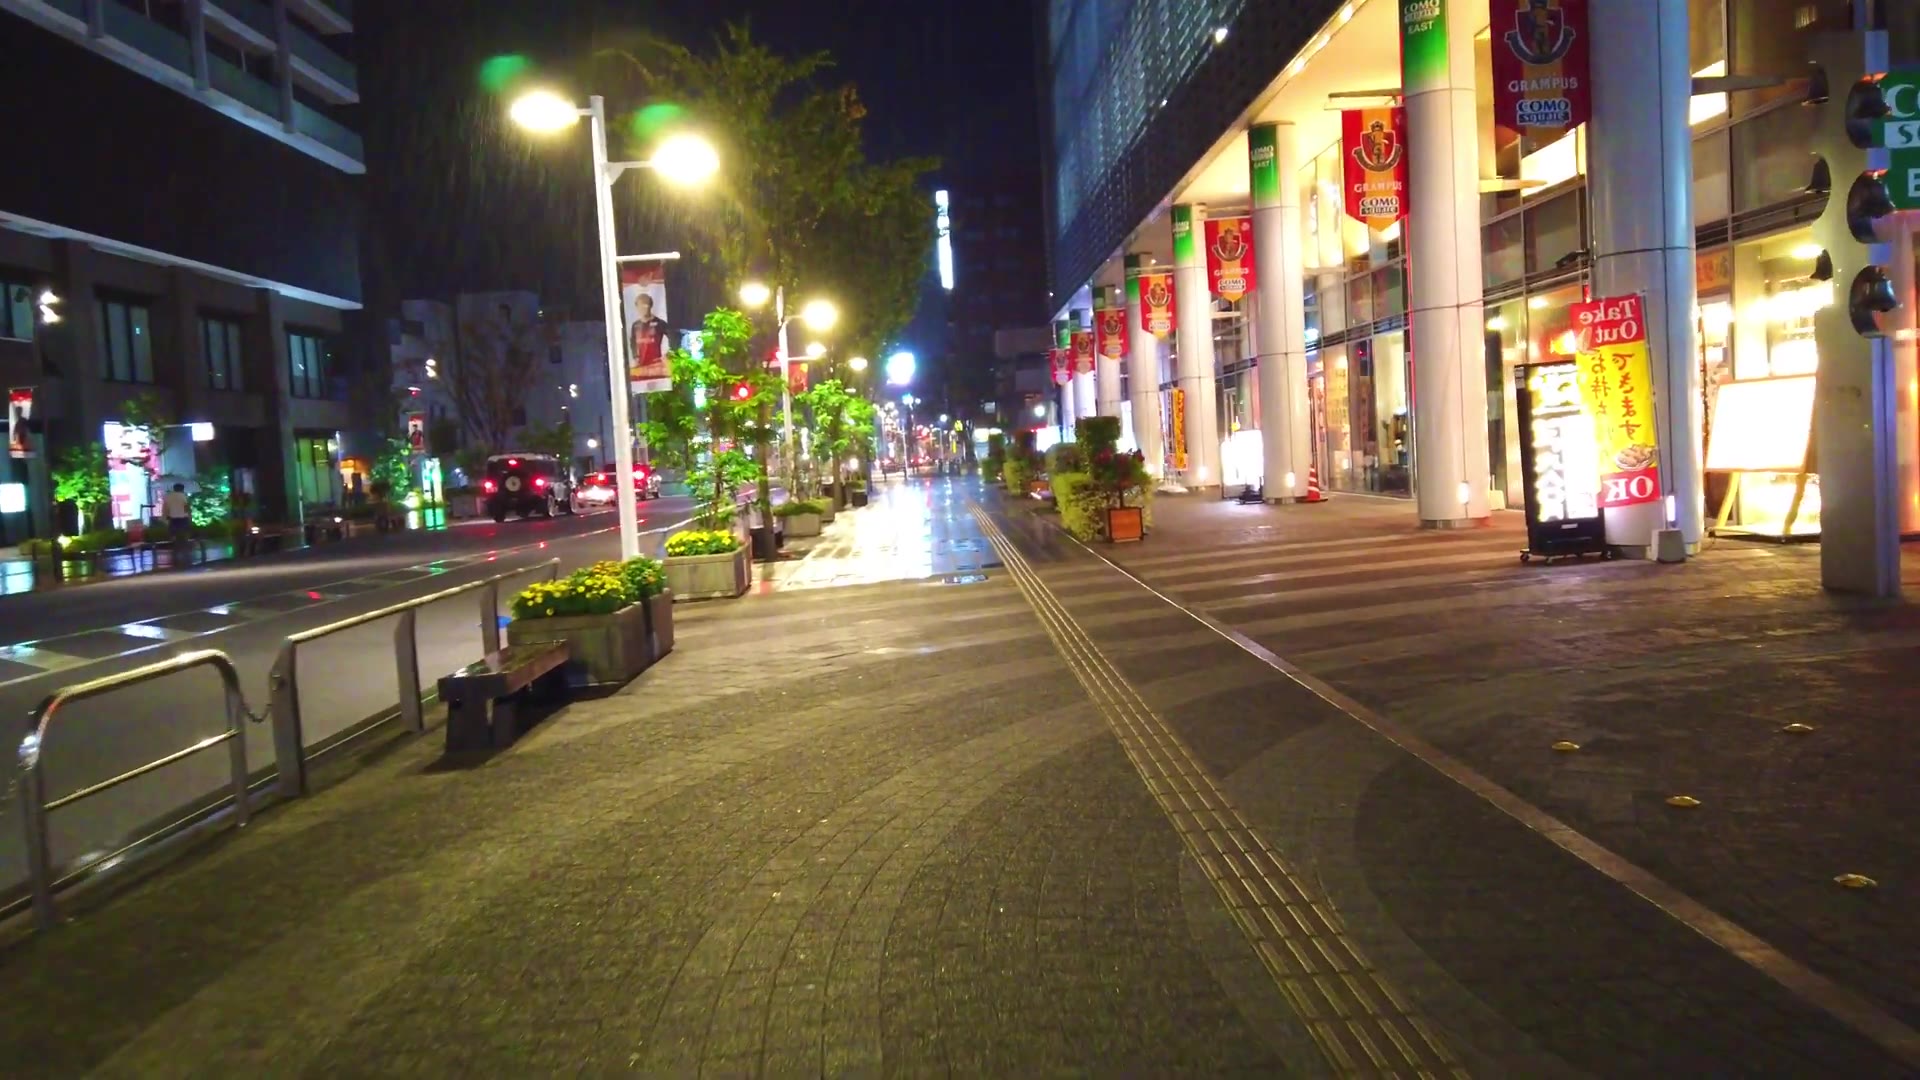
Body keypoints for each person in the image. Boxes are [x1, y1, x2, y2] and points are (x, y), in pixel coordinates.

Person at [160, 482, 192, 548]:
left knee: (173, 533)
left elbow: (165, 508)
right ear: (182, 489)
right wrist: (190, 516)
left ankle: (174, 546)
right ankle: (185, 546)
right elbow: (187, 507)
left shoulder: (168, 496)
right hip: (183, 517)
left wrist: (164, 517)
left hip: (172, 518)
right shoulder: (183, 496)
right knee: (185, 532)